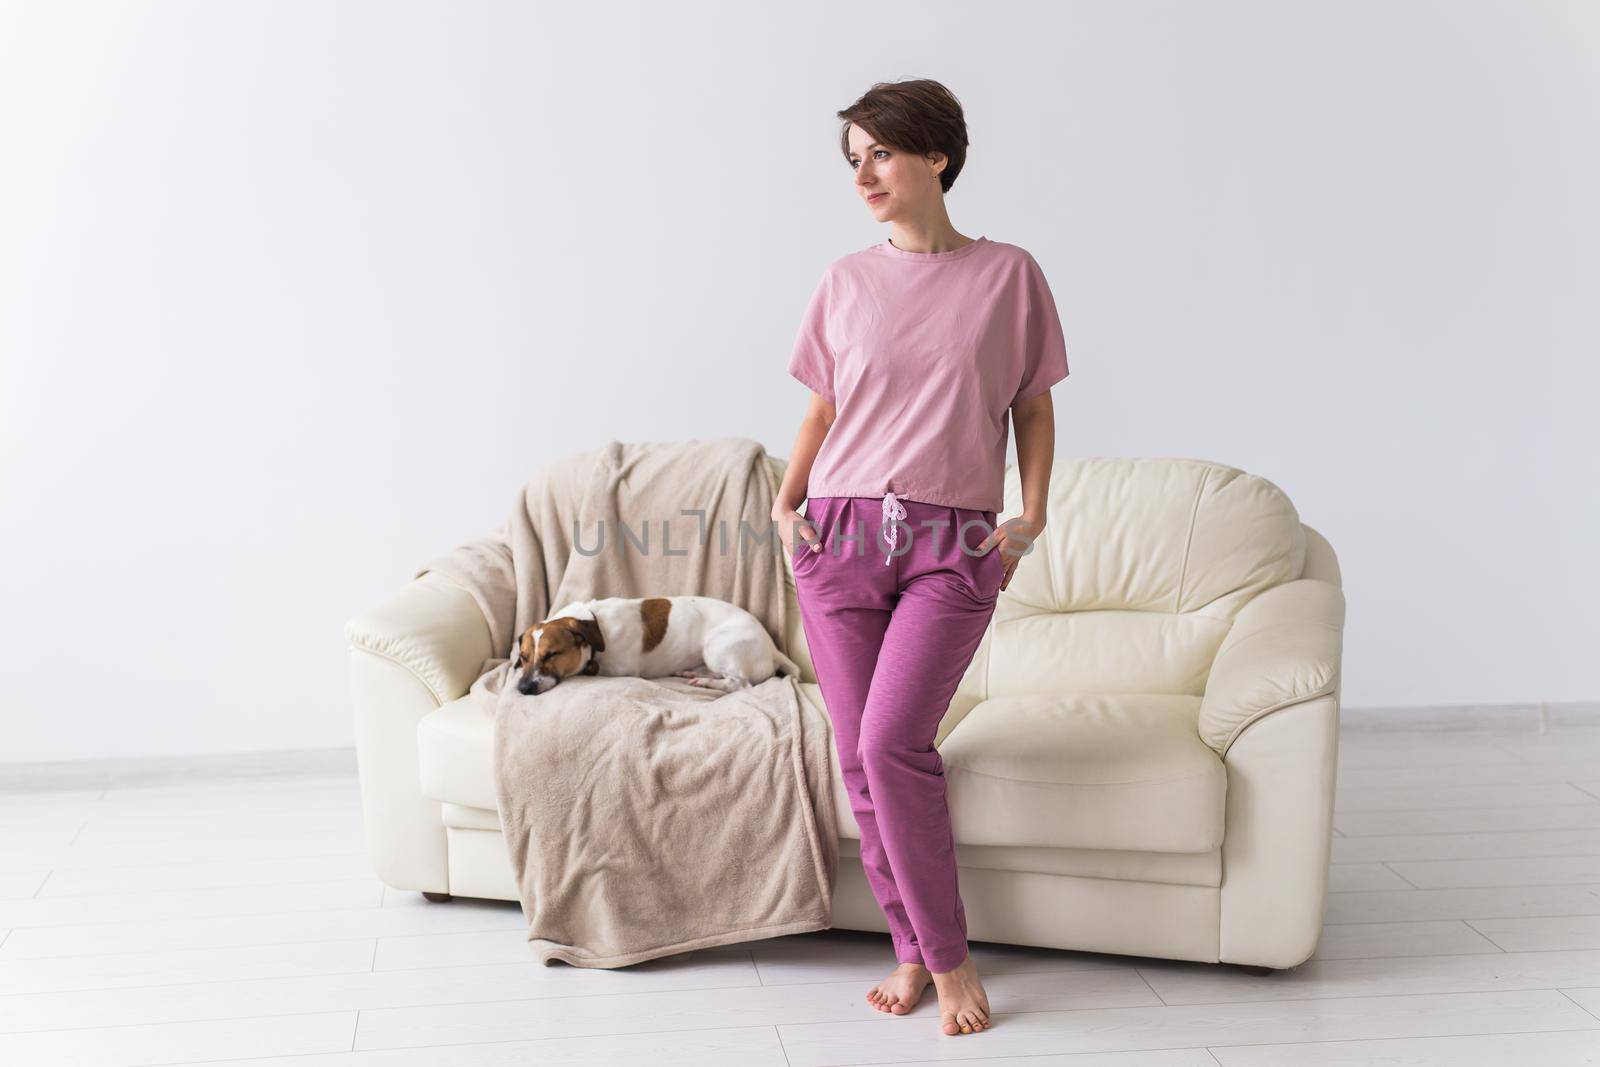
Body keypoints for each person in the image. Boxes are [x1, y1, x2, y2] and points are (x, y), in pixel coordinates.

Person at [773, 78, 1070, 1038]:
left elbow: (1029, 401)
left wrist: (1029, 516)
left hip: (953, 540)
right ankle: (909, 948)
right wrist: (785, 504)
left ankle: (948, 960)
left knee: (891, 740)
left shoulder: (1009, 274)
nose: (863, 173)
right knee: (865, 758)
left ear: (936, 155)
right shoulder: (844, 280)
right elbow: (824, 406)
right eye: (852, 159)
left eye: (881, 153)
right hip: (840, 533)